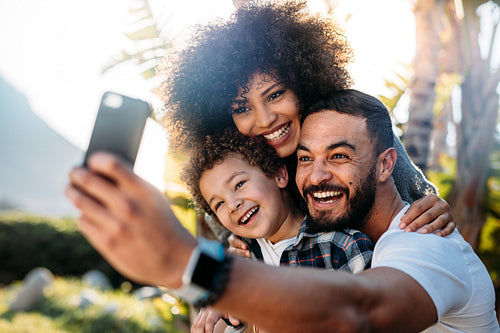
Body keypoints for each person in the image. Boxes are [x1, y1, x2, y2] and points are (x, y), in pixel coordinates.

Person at [66, 89, 499, 332]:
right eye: (305, 158)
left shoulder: (425, 240)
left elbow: (360, 314)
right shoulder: (256, 244)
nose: (316, 176)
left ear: (387, 163)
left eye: (341, 156)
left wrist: (189, 266)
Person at [157, 1, 454, 236]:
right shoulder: (231, 182)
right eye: (242, 108)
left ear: (303, 83)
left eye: (275, 95)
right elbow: (234, 254)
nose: (265, 119)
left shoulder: (352, 126)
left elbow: (418, 201)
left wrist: (434, 209)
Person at [183, 129, 373, 331]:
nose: (232, 205)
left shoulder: (341, 246)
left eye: (239, 184)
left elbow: (373, 318)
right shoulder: (236, 260)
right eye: (219, 204)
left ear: (279, 175)